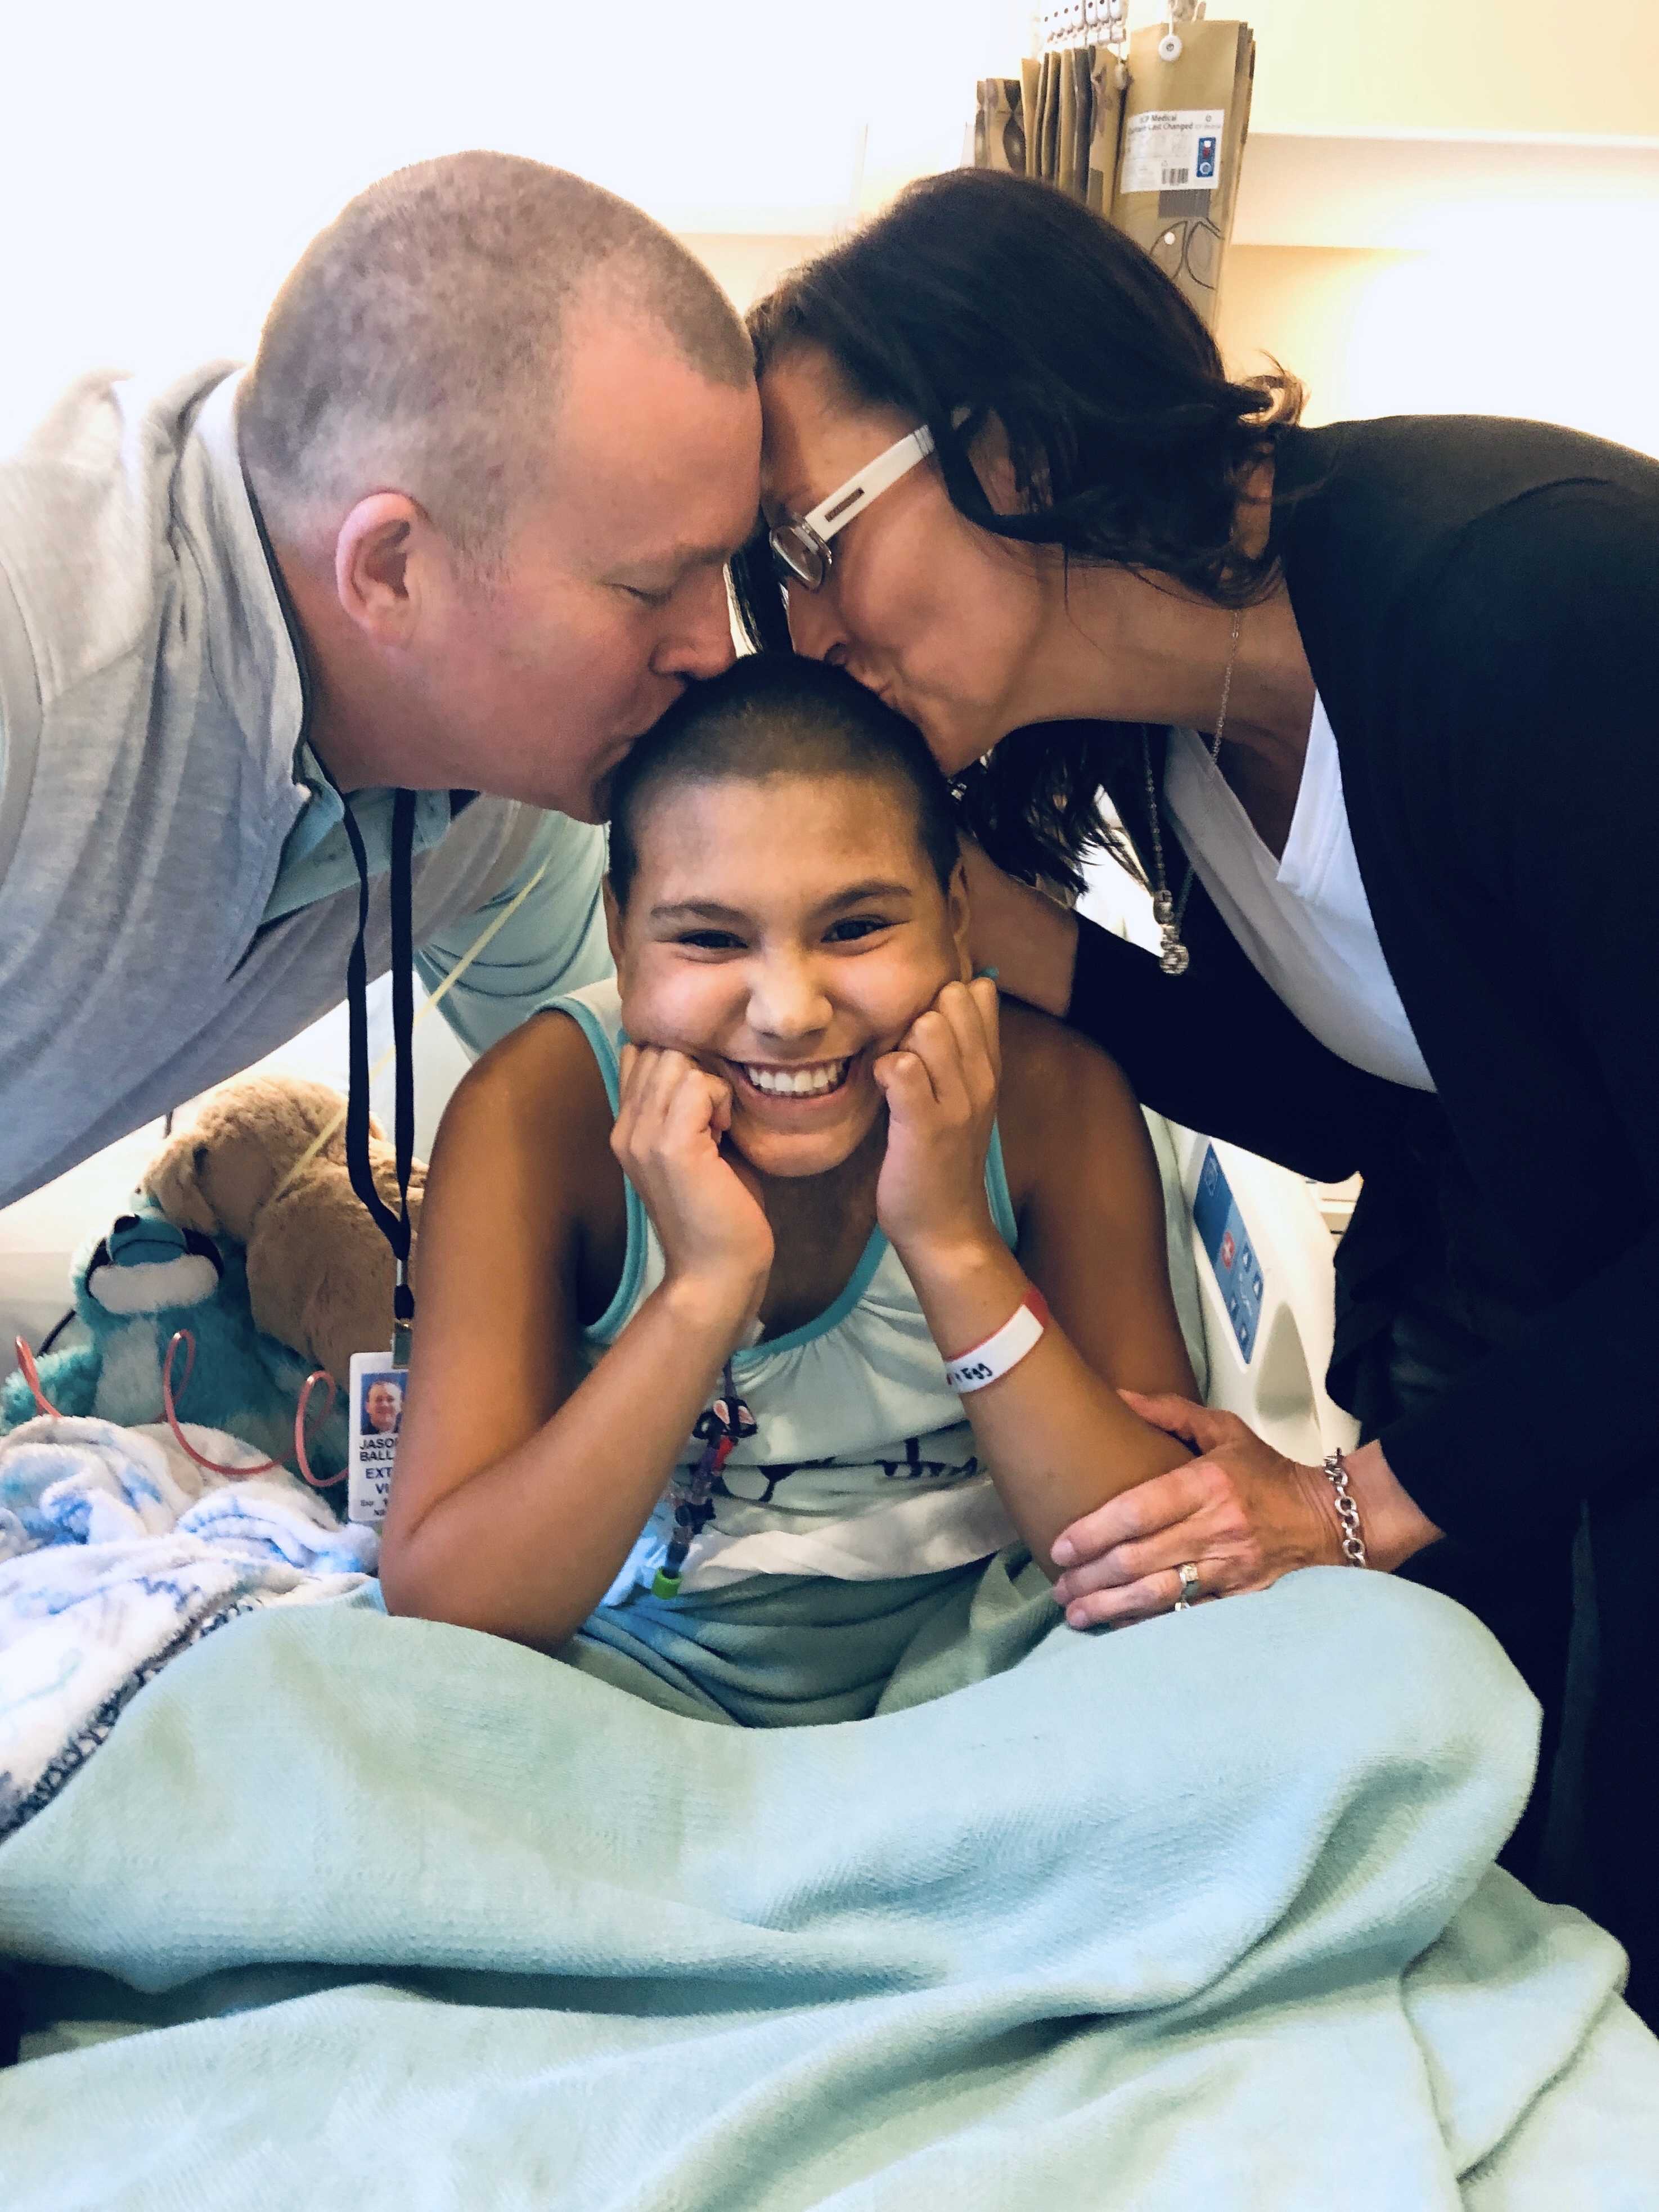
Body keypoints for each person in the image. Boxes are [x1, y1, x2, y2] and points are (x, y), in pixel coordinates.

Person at [736, 167, 1659, 2015]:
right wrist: (960, 932)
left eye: (816, 540)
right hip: (1538, 1319)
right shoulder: (1174, 738)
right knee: (1493, 1884)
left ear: (1008, 430)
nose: (805, 626)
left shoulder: (1527, 604)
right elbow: (1359, 1086)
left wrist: (1354, 1502)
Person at [379, 656, 1196, 1716]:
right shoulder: (533, 1117)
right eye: (710, 939)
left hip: (1007, 1662)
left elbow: (1164, 1557)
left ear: (955, 915)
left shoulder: (1051, 1099)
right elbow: (449, 1609)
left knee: (1398, 1658)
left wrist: (951, 1244)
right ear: (623, 940)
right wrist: (702, 1292)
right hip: (651, 1676)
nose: (790, 1012)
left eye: (855, 928)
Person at [0, 151, 759, 1207]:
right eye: (649, 587)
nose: (711, 649)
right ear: (391, 569)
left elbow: (628, 1142)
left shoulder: (513, 803)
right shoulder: (31, 650)